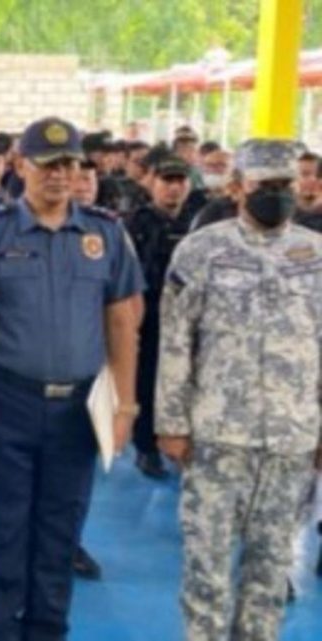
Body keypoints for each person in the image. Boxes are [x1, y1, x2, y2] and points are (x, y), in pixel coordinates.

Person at [0, 117, 143, 641]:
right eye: (48, 164)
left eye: (70, 164)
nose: (61, 175)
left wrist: (125, 406)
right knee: (4, 526)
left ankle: (47, 628)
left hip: (78, 407)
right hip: (5, 399)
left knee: (61, 528)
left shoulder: (104, 233)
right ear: (21, 167)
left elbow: (122, 320)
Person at [156, 139, 322, 641]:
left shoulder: (316, 255)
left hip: (290, 442)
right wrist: (171, 423)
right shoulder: (202, 250)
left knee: (269, 574)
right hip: (216, 439)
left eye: (285, 186)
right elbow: (176, 341)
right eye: (264, 186)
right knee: (206, 572)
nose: (278, 195)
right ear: (236, 188)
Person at [125, 155, 196, 480]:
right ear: (152, 183)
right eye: (167, 181)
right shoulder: (136, 223)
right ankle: (147, 447)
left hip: (191, 319)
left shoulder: (199, 223)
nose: (174, 188)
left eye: (180, 181)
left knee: (188, 382)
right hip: (151, 316)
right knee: (148, 381)